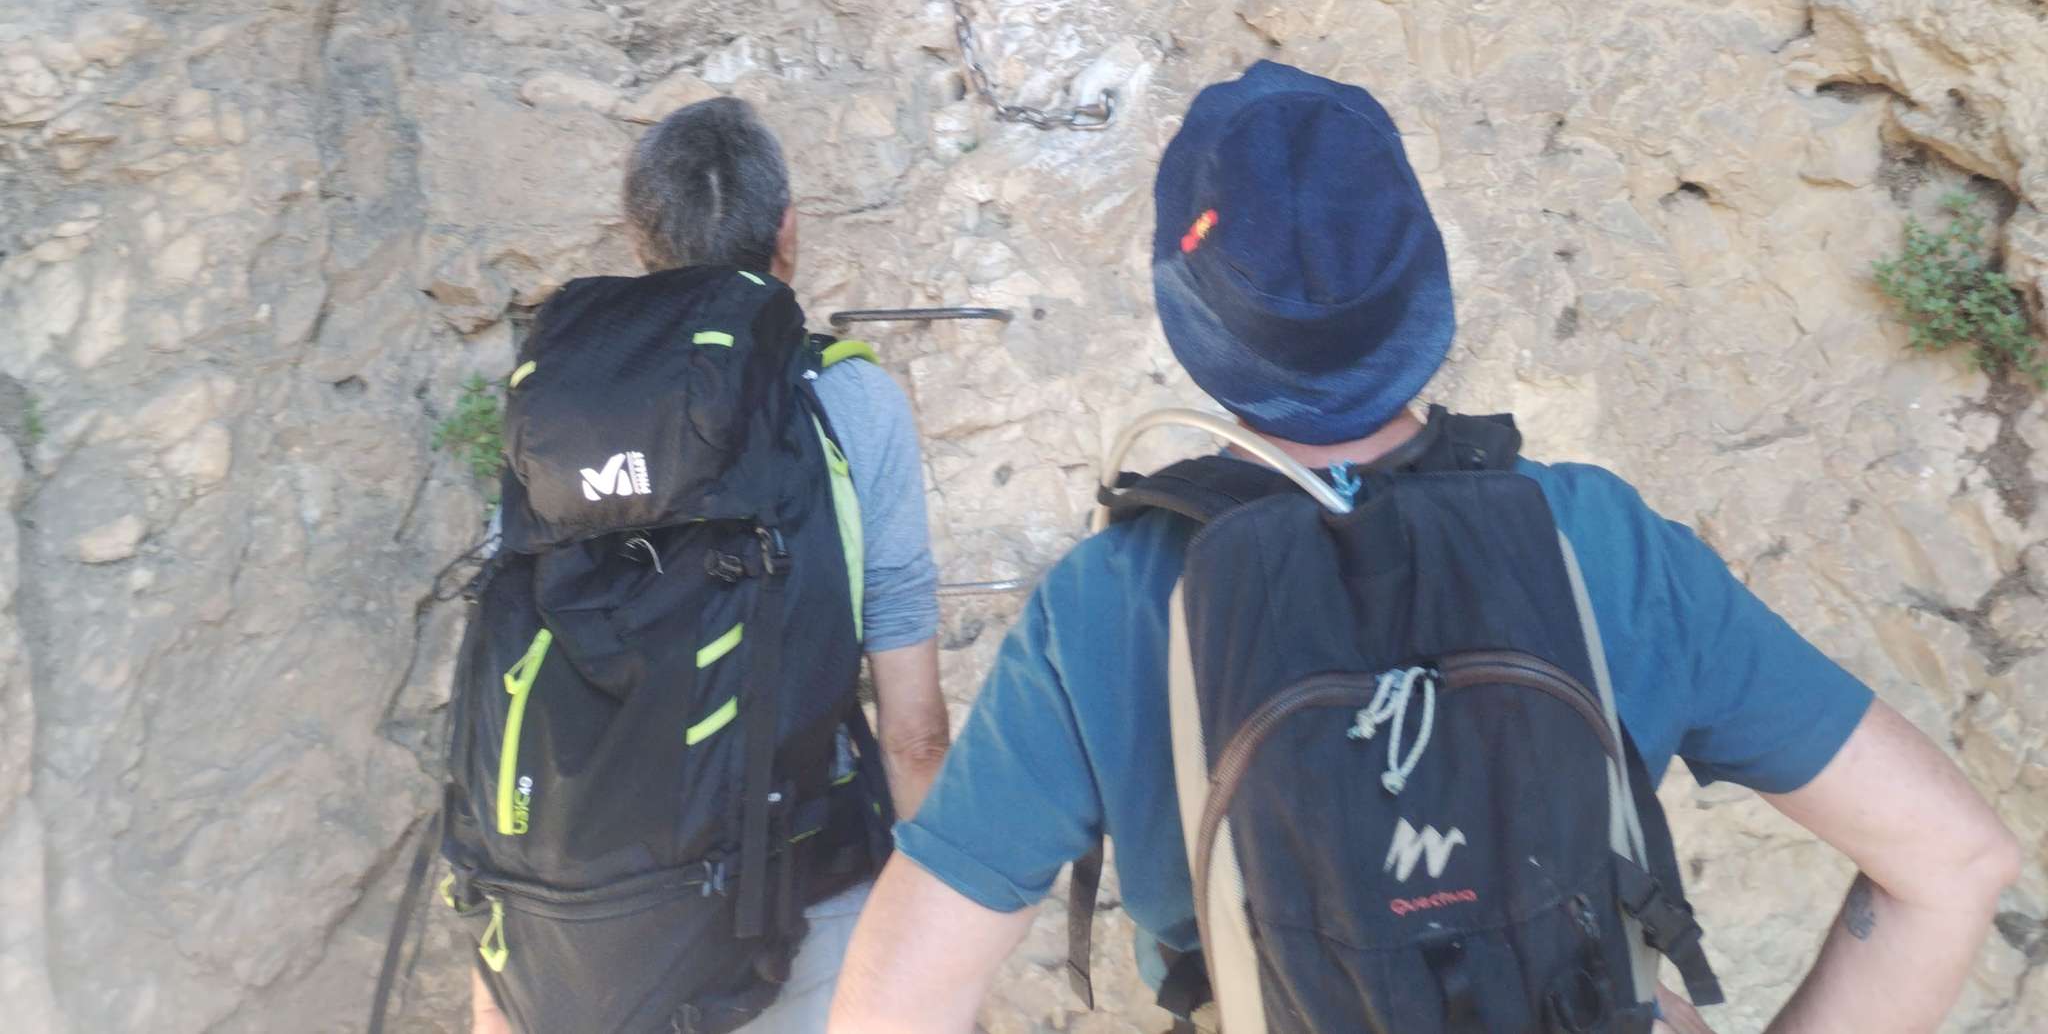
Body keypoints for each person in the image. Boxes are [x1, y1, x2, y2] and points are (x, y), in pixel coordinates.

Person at [830, 64, 2021, 1034]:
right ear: (1424, 288)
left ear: (1191, 317)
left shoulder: (1110, 601)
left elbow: (892, 1006)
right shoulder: (1596, 537)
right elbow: (1953, 863)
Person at [472, 98, 949, 1034]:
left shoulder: (557, 413)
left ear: (639, 236)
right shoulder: (850, 397)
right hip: (798, 905)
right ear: (788, 232)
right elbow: (915, 734)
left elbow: (504, 664)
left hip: (580, 941)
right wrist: (934, 936)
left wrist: (499, 983)